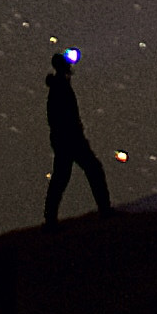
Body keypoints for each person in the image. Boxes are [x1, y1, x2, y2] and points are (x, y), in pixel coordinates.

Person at [42, 46, 115, 222]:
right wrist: (73, 135)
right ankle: (104, 210)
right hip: (70, 138)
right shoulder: (61, 87)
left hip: (65, 138)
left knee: (62, 177)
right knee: (92, 170)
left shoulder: (59, 86)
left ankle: (51, 218)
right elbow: (63, 117)